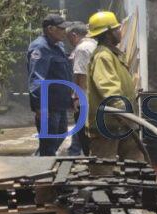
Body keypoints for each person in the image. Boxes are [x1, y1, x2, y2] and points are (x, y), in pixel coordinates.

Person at [85, 10, 146, 164]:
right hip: (108, 125)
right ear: (107, 33)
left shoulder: (113, 54)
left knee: (136, 165)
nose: (120, 32)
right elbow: (108, 87)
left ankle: (135, 188)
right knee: (103, 169)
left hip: (122, 123)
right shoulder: (103, 56)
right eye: (117, 29)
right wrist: (122, 109)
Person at [27, 14, 73, 156]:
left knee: (61, 134)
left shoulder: (57, 46)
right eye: (61, 29)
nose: (65, 32)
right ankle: (41, 171)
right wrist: (40, 107)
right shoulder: (40, 47)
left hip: (59, 104)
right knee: (49, 145)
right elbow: (36, 78)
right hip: (48, 106)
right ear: (50, 29)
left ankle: (39, 160)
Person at [65, 22, 95, 156]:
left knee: (84, 135)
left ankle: (91, 162)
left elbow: (81, 75)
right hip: (94, 98)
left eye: (68, 38)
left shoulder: (81, 49)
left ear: (74, 35)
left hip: (84, 100)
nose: (68, 41)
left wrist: (77, 98)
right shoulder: (95, 44)